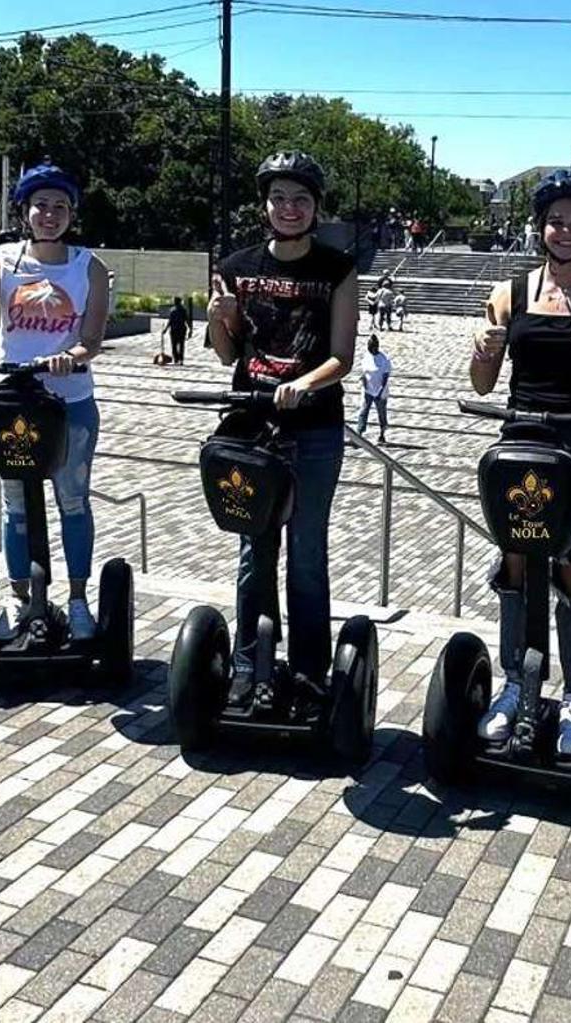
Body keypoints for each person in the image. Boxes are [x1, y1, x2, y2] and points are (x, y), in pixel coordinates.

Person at [472, 169, 571, 757]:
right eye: (556, 221)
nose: (565, 232)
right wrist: (482, 351)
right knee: (516, 566)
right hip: (520, 444)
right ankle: (514, 682)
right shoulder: (509, 294)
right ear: (540, 228)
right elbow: (484, 383)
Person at [207, 151, 358, 716]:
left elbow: (341, 356)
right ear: (264, 205)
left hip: (313, 425)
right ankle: (250, 664)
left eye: (300, 199)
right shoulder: (236, 265)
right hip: (252, 423)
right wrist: (222, 317)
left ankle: (310, 670)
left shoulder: (336, 269)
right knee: (254, 549)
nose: (288, 208)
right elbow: (229, 354)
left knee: (306, 550)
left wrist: (303, 384)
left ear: (316, 206)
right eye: (279, 198)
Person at [0, 163, 111, 638]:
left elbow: (92, 339)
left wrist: (70, 357)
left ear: (71, 213)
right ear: (25, 211)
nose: (50, 214)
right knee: (16, 505)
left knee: (73, 500)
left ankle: (80, 599)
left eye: (60, 206)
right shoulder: (2, 260)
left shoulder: (90, 267)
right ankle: (21, 597)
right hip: (13, 400)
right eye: (41, 205)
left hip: (69, 402)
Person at [356, 334, 392, 445]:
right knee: (363, 411)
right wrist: (363, 380)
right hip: (368, 390)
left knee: (381, 413)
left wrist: (380, 391)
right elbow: (364, 372)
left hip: (380, 391)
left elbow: (385, 378)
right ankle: (359, 433)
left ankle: (382, 434)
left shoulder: (384, 360)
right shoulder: (366, 357)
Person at [165, 295, 191, 365]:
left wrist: (165, 329)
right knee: (181, 345)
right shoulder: (183, 310)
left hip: (174, 329)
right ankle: (181, 359)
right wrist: (190, 329)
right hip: (182, 329)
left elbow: (170, 321)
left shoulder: (172, 310)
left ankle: (176, 359)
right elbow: (187, 320)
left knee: (174, 345)